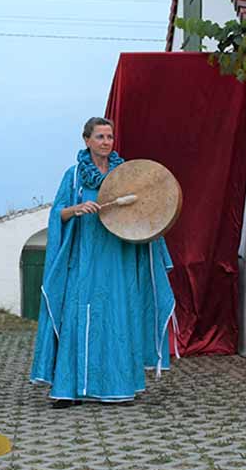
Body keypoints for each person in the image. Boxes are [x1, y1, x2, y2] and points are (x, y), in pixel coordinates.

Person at [29, 117, 176, 407]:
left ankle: (118, 387)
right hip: (84, 260)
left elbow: (145, 210)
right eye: (100, 137)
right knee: (76, 317)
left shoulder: (126, 176)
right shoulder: (73, 177)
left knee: (117, 318)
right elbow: (56, 215)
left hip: (118, 259)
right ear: (86, 140)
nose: (106, 142)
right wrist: (77, 208)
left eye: (109, 137)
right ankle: (69, 390)